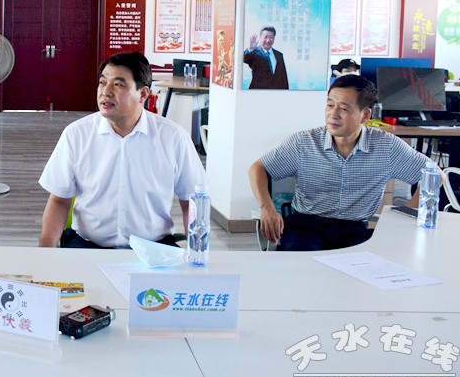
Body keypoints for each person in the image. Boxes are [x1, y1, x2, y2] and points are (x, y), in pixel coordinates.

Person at [38, 52, 207, 249]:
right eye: (102, 83)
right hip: (87, 245)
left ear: (143, 94)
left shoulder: (174, 138)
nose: (106, 92)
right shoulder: (76, 135)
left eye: (118, 84)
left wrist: (197, 251)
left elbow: (192, 202)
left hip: (154, 249)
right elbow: (59, 200)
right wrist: (45, 248)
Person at [249, 74, 430, 251]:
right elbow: (258, 168)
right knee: (303, 262)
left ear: (365, 115)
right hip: (306, 226)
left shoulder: (386, 147)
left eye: (343, 109)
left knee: (369, 263)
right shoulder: (304, 142)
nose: (333, 114)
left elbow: (433, 175)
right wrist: (266, 207)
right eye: (330, 105)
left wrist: (407, 213)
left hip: (354, 229)